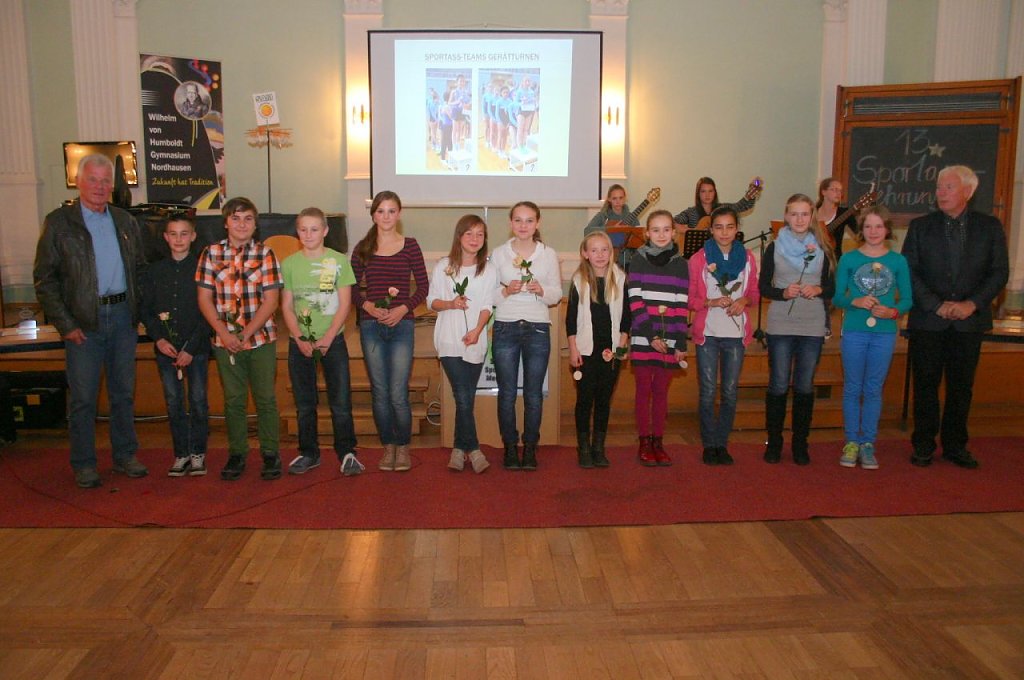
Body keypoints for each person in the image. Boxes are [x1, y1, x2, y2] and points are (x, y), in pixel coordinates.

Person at [33, 154, 148, 488]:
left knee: (123, 394)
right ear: (79, 182)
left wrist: (138, 313)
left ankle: (125, 455)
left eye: (105, 180)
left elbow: (140, 270)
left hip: (123, 318)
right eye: (93, 180)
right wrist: (66, 325)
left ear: (112, 185)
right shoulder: (58, 223)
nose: (99, 186)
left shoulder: (125, 221)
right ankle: (84, 464)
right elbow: (44, 280)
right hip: (83, 323)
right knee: (83, 399)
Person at [902, 165, 1009, 469]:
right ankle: (923, 444)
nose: (941, 192)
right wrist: (935, 305)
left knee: (961, 387)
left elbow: (999, 272)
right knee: (925, 384)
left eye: (948, 187)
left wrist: (972, 304)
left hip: (968, 321)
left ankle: (955, 445)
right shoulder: (921, 226)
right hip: (928, 320)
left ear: (968, 191)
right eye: (939, 187)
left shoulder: (989, 227)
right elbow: (909, 270)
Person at [196, 196, 283, 481]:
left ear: (255, 224)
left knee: (265, 398)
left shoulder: (266, 254)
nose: (242, 224)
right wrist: (224, 333)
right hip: (225, 342)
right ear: (226, 223)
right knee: (233, 400)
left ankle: (270, 453)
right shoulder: (210, 254)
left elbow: (271, 300)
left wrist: (245, 333)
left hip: (260, 340)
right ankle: (237, 453)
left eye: (248, 219)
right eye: (235, 218)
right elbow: (204, 299)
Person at [280, 207, 363, 477]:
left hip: (333, 341)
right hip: (300, 343)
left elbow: (345, 304)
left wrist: (328, 337)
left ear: (325, 231)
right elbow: (286, 305)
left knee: (340, 402)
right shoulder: (290, 264)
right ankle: (309, 453)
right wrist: (299, 337)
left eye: (314, 229)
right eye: (303, 229)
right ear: (297, 232)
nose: (308, 234)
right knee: (305, 404)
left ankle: (347, 452)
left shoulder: (338, 261)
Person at [351, 191, 429, 472]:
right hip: (371, 326)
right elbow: (350, 288)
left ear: (399, 214)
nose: (386, 216)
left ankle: (403, 446)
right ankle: (388, 446)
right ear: (373, 215)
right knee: (380, 391)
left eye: (391, 211)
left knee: (398, 392)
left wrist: (402, 309)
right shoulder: (362, 248)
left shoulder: (411, 246)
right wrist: (368, 306)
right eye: (381, 211)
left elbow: (423, 287)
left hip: (402, 325)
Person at [833, 206, 912, 469]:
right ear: (860, 230)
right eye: (868, 226)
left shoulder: (898, 261)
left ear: (887, 229)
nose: (873, 231)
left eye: (878, 226)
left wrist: (893, 311)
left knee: (873, 388)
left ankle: (868, 443)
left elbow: (907, 299)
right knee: (853, 387)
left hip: (884, 333)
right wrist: (854, 301)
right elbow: (837, 297)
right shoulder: (849, 259)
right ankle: (851, 442)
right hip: (854, 330)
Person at [759, 193, 835, 465]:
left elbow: (832, 288)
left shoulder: (823, 246)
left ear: (812, 216)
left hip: (812, 324)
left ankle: (800, 443)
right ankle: (774, 442)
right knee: (779, 384)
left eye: (805, 214)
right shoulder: (774, 247)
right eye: (794, 214)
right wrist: (782, 292)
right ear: (786, 216)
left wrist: (818, 289)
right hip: (781, 323)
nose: (800, 219)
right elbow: (763, 287)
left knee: (804, 385)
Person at [491, 201, 562, 470]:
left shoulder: (548, 254)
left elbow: (556, 294)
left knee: (533, 394)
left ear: (537, 223)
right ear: (511, 223)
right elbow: (490, 296)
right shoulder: (499, 254)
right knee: (507, 393)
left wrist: (541, 290)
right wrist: (506, 291)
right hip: (505, 327)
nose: (523, 226)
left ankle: (531, 446)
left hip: (537, 328)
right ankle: (510, 446)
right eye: (518, 220)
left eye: (529, 220)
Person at [687, 206, 759, 465]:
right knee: (708, 391)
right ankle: (709, 444)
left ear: (737, 229)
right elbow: (690, 300)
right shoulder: (699, 259)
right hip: (708, 334)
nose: (724, 232)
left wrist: (744, 301)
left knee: (729, 391)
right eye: (719, 227)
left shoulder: (748, 258)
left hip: (736, 335)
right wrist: (711, 302)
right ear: (711, 230)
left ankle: (722, 443)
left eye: (730, 227)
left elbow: (754, 293)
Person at [140, 214, 211, 477]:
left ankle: (198, 452)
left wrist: (191, 348)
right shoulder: (154, 271)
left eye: (184, 233)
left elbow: (209, 313)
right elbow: (146, 310)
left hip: (196, 349)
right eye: (173, 234)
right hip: (166, 349)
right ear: (165, 237)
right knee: (173, 401)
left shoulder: (203, 269)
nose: (179, 239)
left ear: (193, 236)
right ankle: (181, 453)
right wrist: (159, 338)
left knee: (198, 401)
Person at [427, 215, 497, 473]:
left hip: (475, 340)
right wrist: (451, 303)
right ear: (459, 237)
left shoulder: (489, 269)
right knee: (462, 395)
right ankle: (475, 450)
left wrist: (477, 331)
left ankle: (458, 449)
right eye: (469, 233)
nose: (474, 239)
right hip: (449, 339)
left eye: (480, 234)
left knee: (464, 397)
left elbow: (488, 305)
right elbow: (431, 301)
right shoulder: (443, 266)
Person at [627, 210, 689, 466]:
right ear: (647, 233)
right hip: (644, 336)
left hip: (670, 338)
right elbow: (635, 301)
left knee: (661, 392)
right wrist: (651, 336)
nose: (661, 235)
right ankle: (644, 441)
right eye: (655, 230)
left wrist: (680, 341)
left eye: (666, 229)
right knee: (644, 390)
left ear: (673, 233)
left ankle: (658, 442)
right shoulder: (638, 260)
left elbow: (681, 305)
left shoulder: (681, 264)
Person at [567, 231, 630, 468]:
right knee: (585, 400)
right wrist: (573, 349)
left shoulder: (620, 278)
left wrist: (622, 344)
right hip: (585, 350)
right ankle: (583, 447)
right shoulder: (578, 281)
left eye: (605, 250)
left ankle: (598, 447)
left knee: (604, 400)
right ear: (585, 254)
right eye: (594, 250)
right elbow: (570, 319)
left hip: (611, 350)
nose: (600, 255)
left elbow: (627, 316)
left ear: (611, 252)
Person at [673, 176, 763, 232]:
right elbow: (672, 222)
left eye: (710, 191)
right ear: (698, 194)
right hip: (697, 253)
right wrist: (689, 231)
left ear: (715, 193)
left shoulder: (722, 209)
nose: (707, 195)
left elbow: (742, 206)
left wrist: (752, 192)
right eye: (703, 191)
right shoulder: (691, 212)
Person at [816, 177, 858, 257]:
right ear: (823, 192)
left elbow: (859, 234)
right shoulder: (811, 213)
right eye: (834, 189)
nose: (838, 193)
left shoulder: (844, 213)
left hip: (834, 258)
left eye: (840, 190)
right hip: (811, 257)